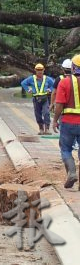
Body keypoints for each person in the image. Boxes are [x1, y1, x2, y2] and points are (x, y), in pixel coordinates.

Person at [51, 54, 80, 188]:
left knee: (66, 148)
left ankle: (72, 172)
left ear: (73, 68)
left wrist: (55, 120)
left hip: (68, 122)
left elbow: (59, 105)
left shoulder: (64, 82)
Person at [21, 63, 56, 134]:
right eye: (38, 70)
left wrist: (50, 89)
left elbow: (54, 85)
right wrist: (28, 90)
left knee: (46, 113)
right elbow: (23, 83)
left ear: (43, 70)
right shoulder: (31, 78)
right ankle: (41, 128)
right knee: (38, 114)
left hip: (45, 98)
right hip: (36, 99)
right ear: (35, 70)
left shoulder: (47, 79)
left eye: (41, 70)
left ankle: (47, 129)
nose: (39, 71)